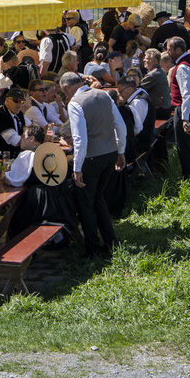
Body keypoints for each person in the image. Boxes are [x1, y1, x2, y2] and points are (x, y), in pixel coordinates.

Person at [60, 71, 125, 258]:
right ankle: (111, 241)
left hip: (92, 158)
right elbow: (119, 125)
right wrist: (120, 151)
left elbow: (80, 139)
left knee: (86, 204)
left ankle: (93, 249)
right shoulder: (104, 94)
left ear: (67, 88)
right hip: (110, 153)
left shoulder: (75, 103)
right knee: (98, 197)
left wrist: (77, 167)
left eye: (64, 92)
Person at [3, 127, 77, 242]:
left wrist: (3, 176)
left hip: (38, 201)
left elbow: (14, 181)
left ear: (32, 138)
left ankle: (20, 248)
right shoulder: (49, 152)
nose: (21, 139)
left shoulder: (27, 155)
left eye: (24, 136)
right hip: (58, 198)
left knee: (16, 220)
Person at [165, 37, 190, 179]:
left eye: (169, 49)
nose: (167, 52)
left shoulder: (183, 67)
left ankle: (189, 176)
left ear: (178, 50)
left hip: (185, 108)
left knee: (184, 145)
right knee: (189, 143)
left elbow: (186, 94)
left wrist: (185, 118)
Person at [0, 87, 28, 159]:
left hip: (13, 157)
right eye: (16, 100)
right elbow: (16, 142)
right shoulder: (1, 116)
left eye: (22, 101)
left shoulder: (19, 114)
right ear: (7, 101)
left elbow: (28, 129)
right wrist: (34, 140)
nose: (19, 104)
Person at [140, 49, 172, 121]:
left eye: (147, 58)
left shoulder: (153, 74)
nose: (144, 60)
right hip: (166, 109)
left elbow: (139, 89)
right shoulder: (160, 71)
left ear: (154, 61)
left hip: (159, 110)